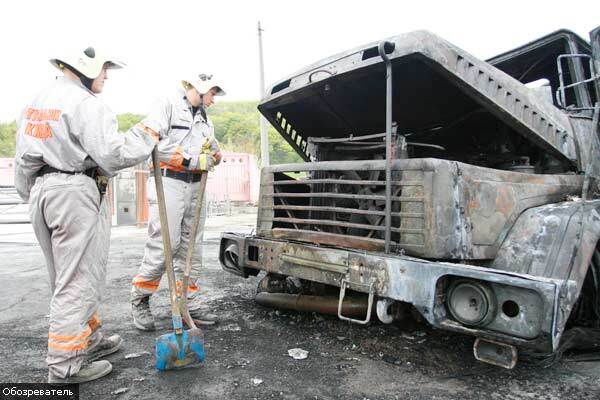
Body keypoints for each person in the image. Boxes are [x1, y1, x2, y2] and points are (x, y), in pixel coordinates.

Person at [14, 47, 160, 384]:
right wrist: (146, 136)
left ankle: (88, 341)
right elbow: (112, 154)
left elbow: (23, 160)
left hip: (42, 190)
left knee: (64, 277)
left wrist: (32, 195)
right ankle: (64, 367)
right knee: (77, 280)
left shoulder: (36, 101)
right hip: (74, 190)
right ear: (86, 66)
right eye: (105, 69)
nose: (106, 76)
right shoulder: (87, 104)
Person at [129, 74, 225, 331]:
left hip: (196, 185)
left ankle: (186, 302)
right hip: (169, 182)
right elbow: (154, 144)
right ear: (201, 87)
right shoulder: (168, 106)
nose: (213, 99)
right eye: (212, 93)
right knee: (165, 246)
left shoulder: (205, 119)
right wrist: (192, 160)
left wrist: (214, 155)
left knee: (192, 249)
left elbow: (213, 151)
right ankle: (140, 298)